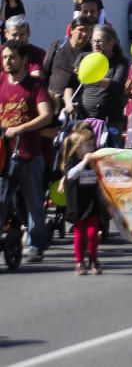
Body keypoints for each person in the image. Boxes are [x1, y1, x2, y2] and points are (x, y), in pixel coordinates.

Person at [0, 40, 54, 261]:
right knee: (2, 200)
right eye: (4, 57)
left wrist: (20, 128)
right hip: (4, 155)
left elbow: (46, 115)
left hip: (30, 154)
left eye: (12, 57)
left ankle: (35, 245)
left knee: (34, 204)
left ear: (23, 60)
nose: (7, 61)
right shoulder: (1, 81)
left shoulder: (35, 85)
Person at [63, 24, 129, 133]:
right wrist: (69, 103)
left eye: (100, 41)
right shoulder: (84, 57)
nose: (95, 45)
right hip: (83, 119)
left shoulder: (120, 62)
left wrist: (90, 76)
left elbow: (116, 84)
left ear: (111, 43)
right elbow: (70, 85)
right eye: (93, 41)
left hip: (110, 122)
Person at [58, 122, 103, 275]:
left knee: (92, 233)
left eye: (92, 145)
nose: (91, 149)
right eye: (87, 146)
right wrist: (84, 162)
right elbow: (71, 175)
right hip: (77, 203)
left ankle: (93, 258)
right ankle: (79, 261)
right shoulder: (73, 161)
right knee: (80, 235)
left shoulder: (95, 161)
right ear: (78, 148)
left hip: (92, 202)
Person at [43, 15, 93, 112]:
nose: (84, 34)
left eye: (88, 30)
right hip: (52, 100)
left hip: (74, 103)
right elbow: (45, 70)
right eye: (81, 30)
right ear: (71, 30)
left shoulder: (91, 54)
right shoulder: (58, 46)